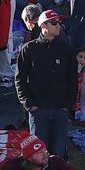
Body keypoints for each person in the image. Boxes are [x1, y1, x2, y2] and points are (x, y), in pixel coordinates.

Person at [16, 10, 77, 156]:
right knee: (37, 155)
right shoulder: (29, 49)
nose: (58, 26)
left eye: (59, 23)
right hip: (38, 111)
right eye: (54, 23)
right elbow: (20, 80)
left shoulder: (67, 49)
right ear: (43, 25)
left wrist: (67, 106)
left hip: (60, 110)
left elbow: (73, 80)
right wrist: (29, 105)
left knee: (58, 155)